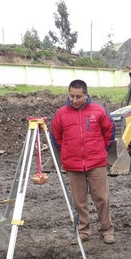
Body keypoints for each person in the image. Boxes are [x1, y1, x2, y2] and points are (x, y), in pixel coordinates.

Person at [51, 79, 116, 245]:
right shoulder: (61, 114)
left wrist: (101, 150)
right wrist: (68, 152)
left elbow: (109, 132)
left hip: (96, 162)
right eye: (71, 96)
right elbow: (56, 138)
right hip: (73, 165)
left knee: (102, 198)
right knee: (79, 201)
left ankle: (107, 230)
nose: (74, 100)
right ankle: (83, 231)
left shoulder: (99, 111)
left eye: (78, 96)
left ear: (86, 95)